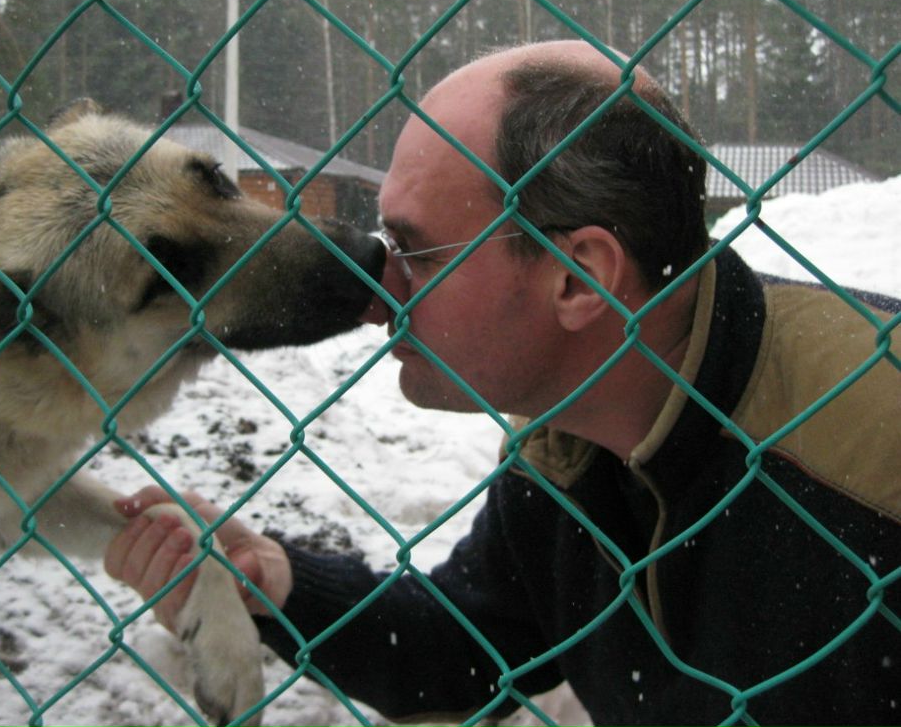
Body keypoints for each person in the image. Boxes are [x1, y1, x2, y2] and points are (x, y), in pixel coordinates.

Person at [104, 41, 900, 726]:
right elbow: (469, 646)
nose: (376, 293)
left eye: (413, 251)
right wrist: (274, 581)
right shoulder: (569, 433)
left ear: (576, 278)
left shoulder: (874, 456)